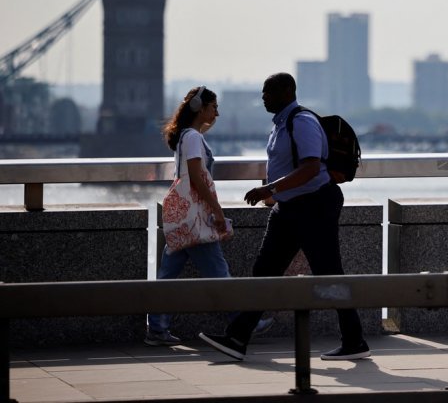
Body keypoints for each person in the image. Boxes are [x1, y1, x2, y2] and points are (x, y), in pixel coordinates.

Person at [199, 72, 370, 361]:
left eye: (269, 92)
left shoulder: (300, 122)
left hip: (314, 206)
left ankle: (354, 340)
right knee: (264, 271)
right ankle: (237, 338)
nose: (263, 97)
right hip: (289, 209)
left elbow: (311, 168)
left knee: (329, 273)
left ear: (286, 93)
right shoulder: (281, 124)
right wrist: (275, 196)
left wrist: (270, 187)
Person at [146, 86, 272, 346]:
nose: (217, 112)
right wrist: (216, 211)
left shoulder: (185, 136)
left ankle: (157, 328)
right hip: (196, 217)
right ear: (199, 108)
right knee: (218, 271)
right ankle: (243, 325)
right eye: (213, 107)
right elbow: (197, 178)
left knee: (167, 275)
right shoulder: (192, 138)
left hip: (184, 217)